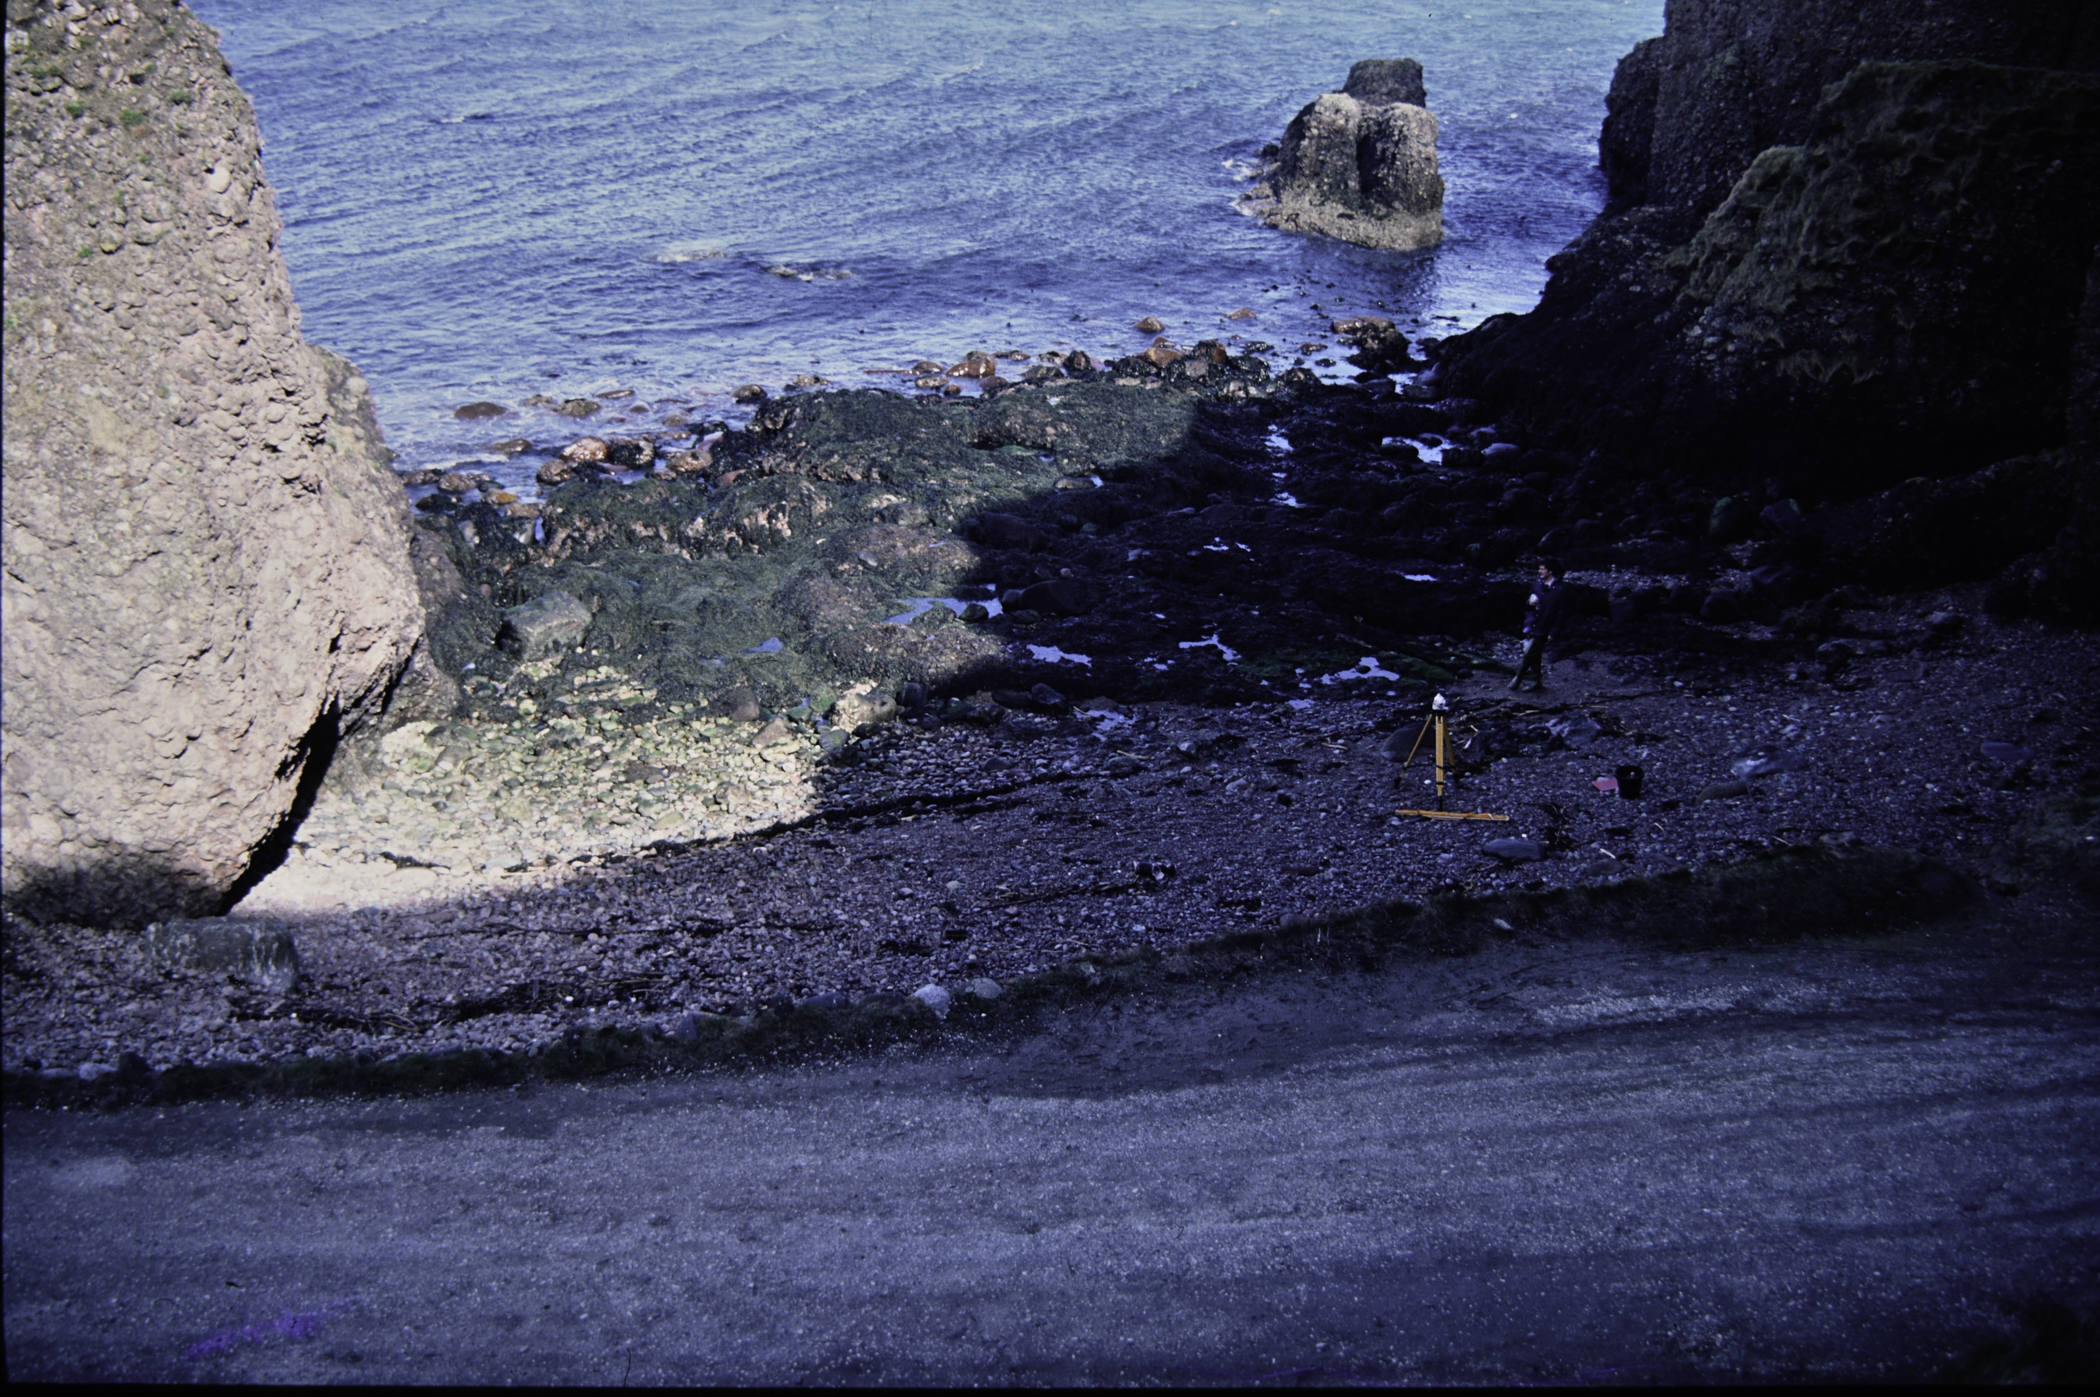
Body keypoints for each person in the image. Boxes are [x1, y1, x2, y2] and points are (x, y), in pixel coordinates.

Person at [1509, 558, 1572, 692]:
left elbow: (1562, 614)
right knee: (1535, 654)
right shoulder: (1538, 583)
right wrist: (1530, 602)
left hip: (1546, 626)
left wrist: (1554, 632)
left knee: (1529, 654)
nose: (1539, 571)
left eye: (1542, 569)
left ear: (1551, 571)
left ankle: (1518, 678)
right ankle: (1536, 680)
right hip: (1533, 623)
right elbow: (1530, 601)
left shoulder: (1561, 590)